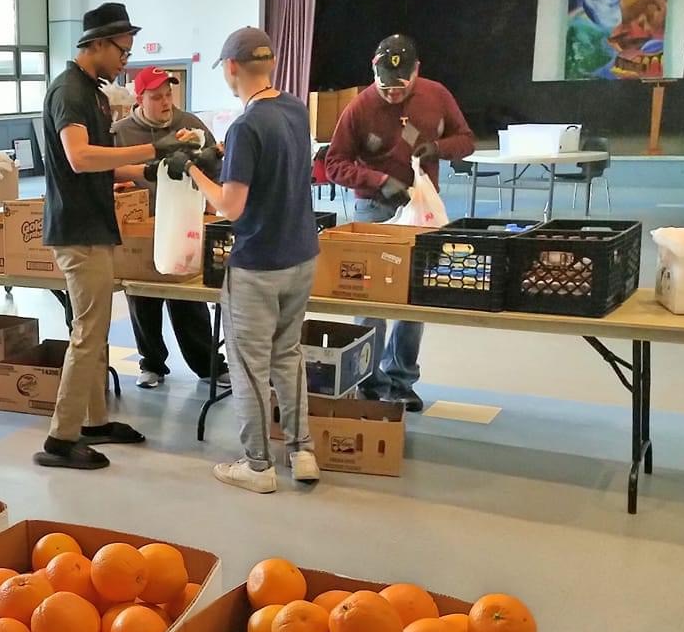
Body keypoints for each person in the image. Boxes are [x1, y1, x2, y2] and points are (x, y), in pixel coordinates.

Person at [34, 2, 200, 470]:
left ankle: (93, 422)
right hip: (77, 229)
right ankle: (60, 439)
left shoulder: (94, 93)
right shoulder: (69, 91)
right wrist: (152, 146)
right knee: (88, 333)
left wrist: (157, 167)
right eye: (122, 50)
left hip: (95, 223)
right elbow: (80, 158)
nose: (126, 59)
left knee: (96, 330)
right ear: (98, 44)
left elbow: (105, 165)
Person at [186, 27, 321, 494]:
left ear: (231, 68)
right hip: (301, 254)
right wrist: (223, 157)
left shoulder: (245, 127)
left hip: (259, 264)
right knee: (288, 354)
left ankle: (258, 465)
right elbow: (275, 165)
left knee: (248, 367)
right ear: (272, 63)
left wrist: (194, 170)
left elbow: (230, 206)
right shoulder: (295, 109)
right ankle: (302, 451)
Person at [325, 34, 474, 411]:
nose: (392, 94)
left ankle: (401, 380)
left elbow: (466, 140)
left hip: (421, 208)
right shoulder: (360, 107)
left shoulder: (436, 95)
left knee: (412, 297)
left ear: (416, 71)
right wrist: (377, 181)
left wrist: (437, 148)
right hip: (375, 210)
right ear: (373, 72)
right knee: (369, 298)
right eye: (385, 87)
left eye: (400, 87)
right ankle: (367, 378)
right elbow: (334, 164)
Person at [110, 66, 228, 390]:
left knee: (188, 298)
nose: (166, 103)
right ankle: (151, 364)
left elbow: (217, 167)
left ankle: (208, 365)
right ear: (139, 99)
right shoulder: (119, 133)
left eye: (168, 95)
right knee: (142, 299)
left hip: (184, 225)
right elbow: (105, 172)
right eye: (156, 97)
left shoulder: (191, 125)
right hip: (141, 229)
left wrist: (210, 201)